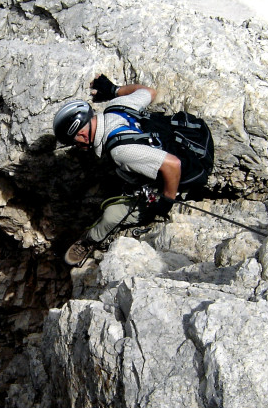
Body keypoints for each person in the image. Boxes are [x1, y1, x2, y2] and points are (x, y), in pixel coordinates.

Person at [53, 75, 183, 266]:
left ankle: (90, 240)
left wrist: (166, 200)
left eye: (74, 142)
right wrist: (114, 90)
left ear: (81, 134)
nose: (76, 146)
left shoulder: (121, 152)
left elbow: (173, 165)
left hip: (173, 179)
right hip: (172, 142)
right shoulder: (117, 107)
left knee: (111, 214)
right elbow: (149, 92)